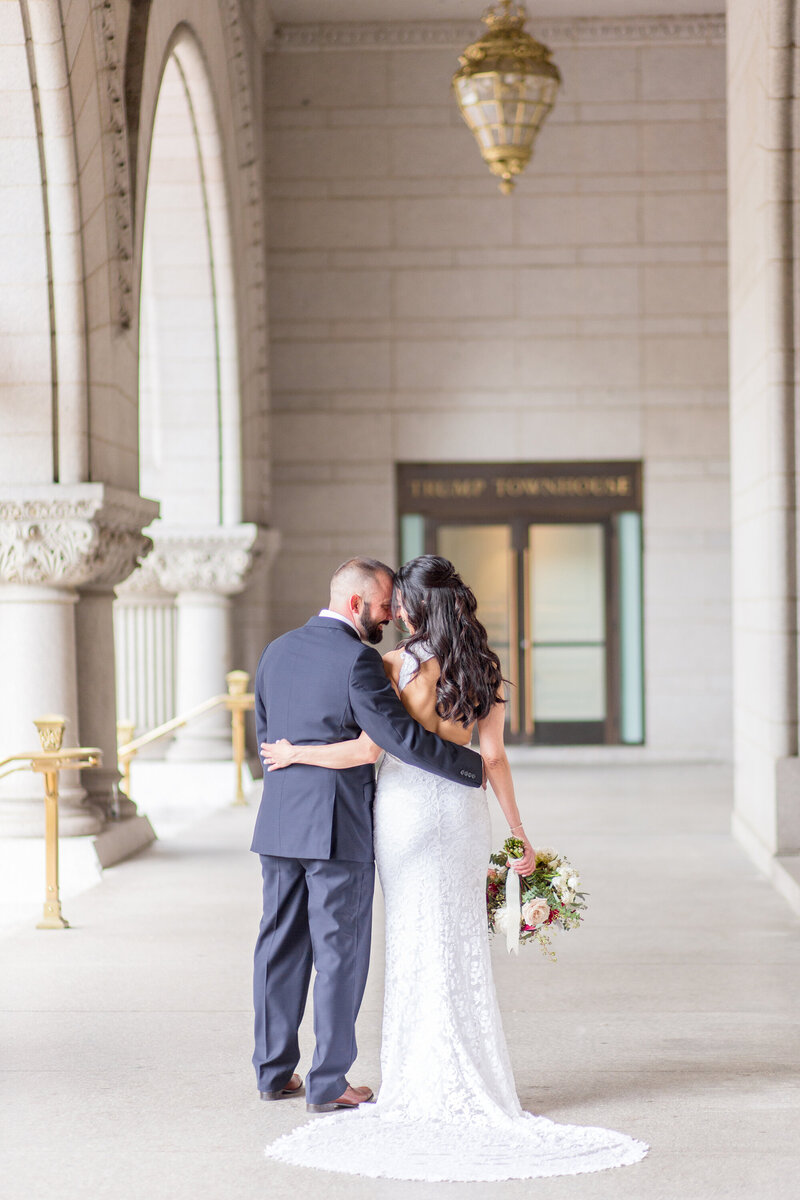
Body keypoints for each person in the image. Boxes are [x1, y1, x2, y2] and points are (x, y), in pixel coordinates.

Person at [259, 555, 648, 1182]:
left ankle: (405, 1073)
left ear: (411, 608)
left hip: (405, 814)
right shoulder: (485, 670)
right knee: (458, 938)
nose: (391, 614)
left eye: (398, 604)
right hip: (462, 814)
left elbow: (369, 746)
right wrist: (520, 833)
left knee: (409, 936)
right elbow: (492, 758)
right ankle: (470, 1070)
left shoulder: (391, 665)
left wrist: (294, 753)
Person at [251, 556, 483, 1116]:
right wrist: (471, 768)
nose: (388, 618)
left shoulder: (276, 651)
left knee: (278, 947)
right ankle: (329, 1081)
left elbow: (263, 733)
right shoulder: (357, 659)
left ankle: (273, 1071)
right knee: (339, 954)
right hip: (337, 827)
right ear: (357, 604)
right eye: (383, 607)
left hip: (280, 822)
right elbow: (397, 736)